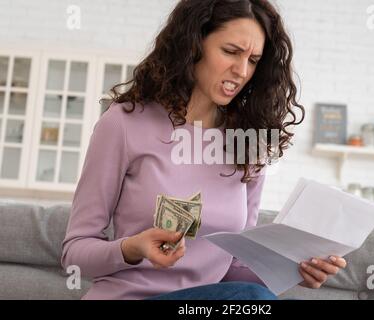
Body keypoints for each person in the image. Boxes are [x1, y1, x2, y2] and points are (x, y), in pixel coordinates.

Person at [61, 0, 346, 300]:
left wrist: (295, 270)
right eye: (231, 52)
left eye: (253, 60)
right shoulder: (124, 124)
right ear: (193, 45)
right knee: (252, 300)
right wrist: (132, 248)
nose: (241, 70)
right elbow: (75, 252)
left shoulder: (247, 145)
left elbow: (234, 269)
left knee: (253, 299)